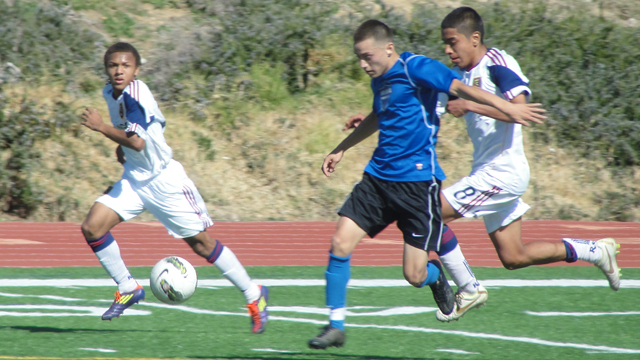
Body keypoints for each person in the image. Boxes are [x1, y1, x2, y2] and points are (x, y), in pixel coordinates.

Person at [343, 7, 621, 324]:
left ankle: (469, 288)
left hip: (503, 172)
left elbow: (520, 111)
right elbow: (417, 107)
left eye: (453, 42)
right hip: (487, 172)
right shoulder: (458, 77)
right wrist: (374, 118)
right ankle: (595, 251)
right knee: (514, 256)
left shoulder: (498, 64)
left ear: (474, 39)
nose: (448, 50)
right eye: (445, 44)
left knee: (430, 209)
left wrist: (472, 105)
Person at [308, 19, 546, 350]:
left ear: (387, 48)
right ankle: (335, 325)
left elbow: (460, 88)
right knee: (339, 243)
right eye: (358, 58)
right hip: (377, 179)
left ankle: (437, 278)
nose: (363, 65)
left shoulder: (416, 66)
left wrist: (507, 106)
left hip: (417, 186)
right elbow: (381, 114)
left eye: (368, 56)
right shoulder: (379, 80)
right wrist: (342, 148)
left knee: (414, 275)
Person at [80, 42, 269, 334]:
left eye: (125, 65)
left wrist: (102, 128)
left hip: (164, 181)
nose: (119, 70)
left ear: (137, 70)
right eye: (113, 65)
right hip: (135, 178)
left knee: (202, 245)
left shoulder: (135, 94)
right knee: (93, 227)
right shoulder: (110, 91)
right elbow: (137, 135)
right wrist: (123, 149)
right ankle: (128, 286)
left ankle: (253, 294)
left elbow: (138, 140)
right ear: (106, 68)